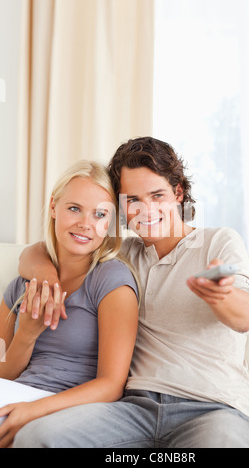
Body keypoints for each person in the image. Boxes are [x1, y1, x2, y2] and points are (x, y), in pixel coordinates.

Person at [13, 137, 249, 448]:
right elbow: (35, 253)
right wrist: (47, 279)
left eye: (157, 195)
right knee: (35, 438)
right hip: (133, 410)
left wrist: (222, 297)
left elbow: (244, 317)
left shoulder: (218, 242)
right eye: (132, 200)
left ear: (178, 194)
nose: (146, 210)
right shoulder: (121, 254)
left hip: (213, 409)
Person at [0, 160, 139, 448]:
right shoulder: (20, 285)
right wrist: (26, 335)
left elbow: (112, 385)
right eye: (74, 208)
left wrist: (34, 410)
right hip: (15, 393)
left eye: (100, 214)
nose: (85, 224)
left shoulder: (111, 281)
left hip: (65, 409)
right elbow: (3, 372)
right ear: (54, 207)